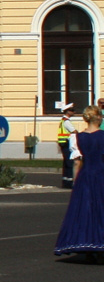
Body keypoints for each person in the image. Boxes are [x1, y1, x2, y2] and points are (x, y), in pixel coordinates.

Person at [55, 105, 104, 259]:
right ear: (99, 118)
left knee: (85, 210)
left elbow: (77, 162)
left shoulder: (77, 138)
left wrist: (76, 181)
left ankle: (87, 247)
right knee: (100, 210)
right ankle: (99, 245)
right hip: (101, 174)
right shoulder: (103, 136)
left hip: (85, 176)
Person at [58, 102, 79, 188]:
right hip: (66, 143)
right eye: (72, 110)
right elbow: (74, 131)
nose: (74, 112)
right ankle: (69, 182)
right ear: (67, 111)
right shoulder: (66, 122)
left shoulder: (63, 120)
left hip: (63, 143)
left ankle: (65, 181)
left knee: (66, 163)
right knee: (70, 163)